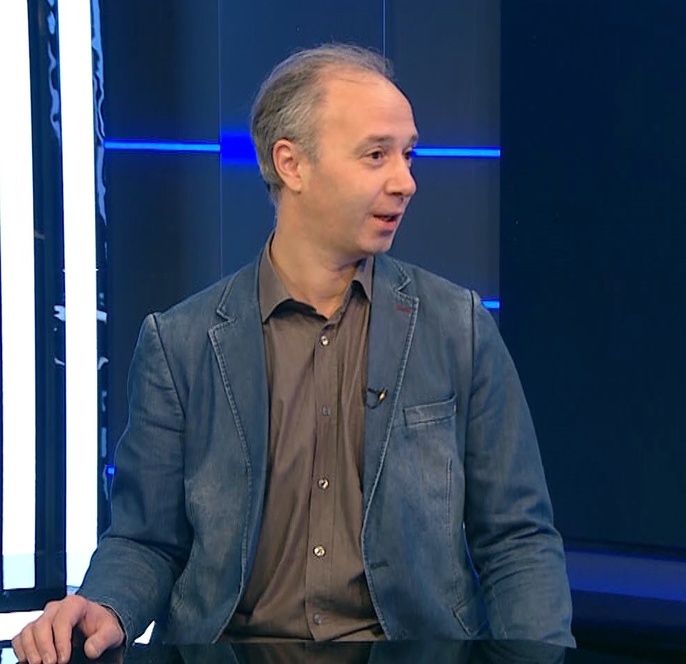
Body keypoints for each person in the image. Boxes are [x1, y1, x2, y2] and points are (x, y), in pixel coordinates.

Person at [13, 43, 573, 664]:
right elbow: (147, 539)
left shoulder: (457, 328)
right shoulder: (181, 344)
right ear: (292, 164)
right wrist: (106, 605)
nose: (406, 182)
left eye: (408, 154)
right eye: (376, 155)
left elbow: (516, 539)